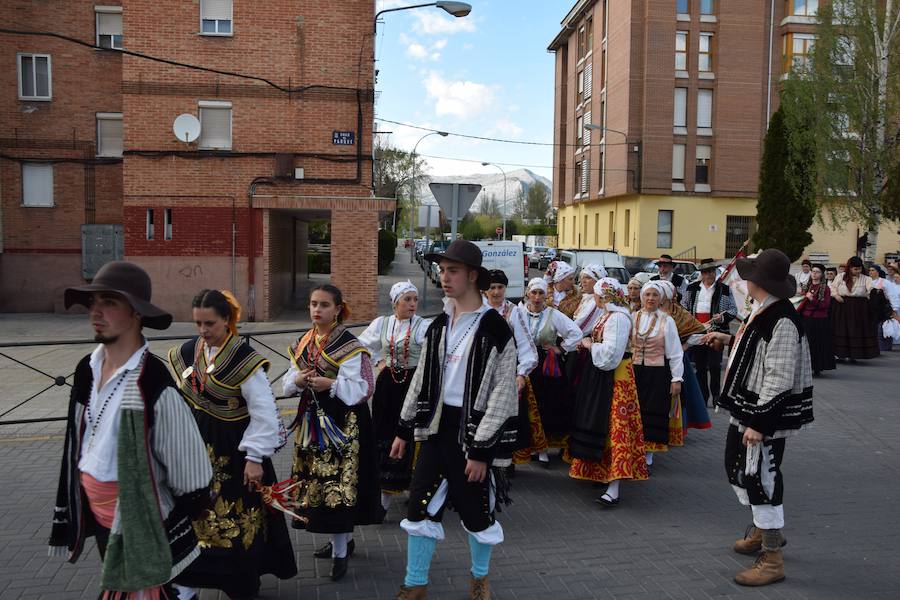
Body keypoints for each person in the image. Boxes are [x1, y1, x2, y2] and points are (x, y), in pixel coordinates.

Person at [49, 261, 213, 599]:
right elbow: (75, 441)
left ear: (136, 313)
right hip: (101, 520)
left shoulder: (153, 382)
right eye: (93, 302)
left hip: (142, 525)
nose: (96, 311)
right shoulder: (86, 369)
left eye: (109, 302)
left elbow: (194, 479)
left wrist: (157, 522)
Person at [390, 239, 519, 600]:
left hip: (472, 431)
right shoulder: (439, 324)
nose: (444, 277)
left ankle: (479, 581)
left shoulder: (496, 328)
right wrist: (403, 429)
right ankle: (415, 585)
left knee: (477, 512)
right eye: (442, 270)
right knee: (418, 506)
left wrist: (480, 451)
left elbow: (503, 394)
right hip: (436, 426)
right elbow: (421, 379)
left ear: (473, 276)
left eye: (453, 271)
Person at [167, 290, 296, 599]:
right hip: (195, 448)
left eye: (209, 323)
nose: (203, 330)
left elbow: (264, 413)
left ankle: (240, 583)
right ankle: (186, 585)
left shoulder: (244, 360)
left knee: (234, 520)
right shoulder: (188, 352)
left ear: (227, 320)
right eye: (198, 323)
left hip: (234, 451)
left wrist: (255, 457)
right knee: (192, 516)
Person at [700, 249, 814, 587]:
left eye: (748, 275)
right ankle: (763, 530)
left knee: (761, 479)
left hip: (763, 415)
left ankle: (772, 556)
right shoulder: (765, 310)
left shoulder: (782, 319)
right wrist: (728, 340)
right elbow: (756, 349)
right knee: (738, 468)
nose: (744, 280)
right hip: (749, 408)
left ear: (758, 282)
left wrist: (760, 424)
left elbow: (779, 376)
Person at [283, 284, 384, 582]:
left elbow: (361, 389)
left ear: (338, 309)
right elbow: (288, 382)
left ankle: (341, 553)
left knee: (338, 486)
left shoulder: (349, 345)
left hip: (343, 422)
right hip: (313, 420)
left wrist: (332, 385)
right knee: (317, 481)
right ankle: (341, 542)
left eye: (324, 305)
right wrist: (298, 381)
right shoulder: (303, 342)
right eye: (314, 303)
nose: (317, 309)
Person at [568, 278, 648, 507]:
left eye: (596, 293)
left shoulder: (618, 318)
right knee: (603, 425)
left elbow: (611, 354)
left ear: (603, 296)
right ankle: (602, 473)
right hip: (604, 376)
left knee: (616, 428)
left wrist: (590, 345)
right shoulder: (608, 315)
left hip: (616, 377)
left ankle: (615, 487)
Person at [358, 281, 432, 511]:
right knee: (384, 432)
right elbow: (360, 345)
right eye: (407, 299)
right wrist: (378, 360)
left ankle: (414, 486)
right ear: (395, 302)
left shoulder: (423, 326)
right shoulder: (382, 324)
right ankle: (384, 493)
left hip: (413, 385)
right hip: (387, 386)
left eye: (415, 299)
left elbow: (434, 354)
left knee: (411, 432)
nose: (412, 304)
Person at [513, 277, 583, 465]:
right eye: (534, 292)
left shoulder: (553, 314)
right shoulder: (518, 313)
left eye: (541, 293)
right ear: (527, 293)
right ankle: (527, 446)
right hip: (522, 363)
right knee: (525, 408)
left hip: (545, 366)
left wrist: (561, 348)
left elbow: (576, 333)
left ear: (546, 295)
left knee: (545, 405)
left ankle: (543, 448)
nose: (537, 297)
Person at [631, 281, 683, 470]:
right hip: (634, 370)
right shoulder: (632, 317)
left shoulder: (667, 321)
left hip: (657, 372)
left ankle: (648, 455)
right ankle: (633, 449)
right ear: (642, 297)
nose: (650, 298)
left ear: (660, 299)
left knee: (652, 410)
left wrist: (676, 378)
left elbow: (675, 352)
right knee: (634, 410)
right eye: (647, 294)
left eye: (654, 295)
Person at [658, 280, 711, 434]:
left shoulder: (678, 313)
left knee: (678, 394)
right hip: (656, 359)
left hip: (676, 359)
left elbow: (700, 331)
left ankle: (677, 428)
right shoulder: (650, 310)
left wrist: (685, 346)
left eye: (659, 293)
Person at [682, 259, 737, 406]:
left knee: (714, 366)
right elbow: (684, 307)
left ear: (715, 272)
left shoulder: (724, 289)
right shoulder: (692, 288)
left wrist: (721, 318)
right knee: (700, 367)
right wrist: (692, 322)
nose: (709, 275)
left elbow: (733, 310)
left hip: (716, 332)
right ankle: (703, 396)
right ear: (702, 274)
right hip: (697, 332)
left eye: (712, 271)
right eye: (706, 272)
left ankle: (716, 395)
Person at [830, 256, 878, 361]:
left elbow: (871, 290)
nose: (858, 271)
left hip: (859, 307)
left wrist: (876, 293)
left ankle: (854, 354)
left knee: (855, 330)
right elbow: (832, 287)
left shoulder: (866, 279)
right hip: (842, 305)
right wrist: (836, 295)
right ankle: (840, 354)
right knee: (841, 329)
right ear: (850, 268)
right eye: (855, 269)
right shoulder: (841, 276)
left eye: (859, 268)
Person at [798, 265, 836, 375]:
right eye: (813, 271)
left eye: (817, 272)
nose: (814, 274)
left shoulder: (825, 288)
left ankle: (817, 367)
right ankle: (804, 366)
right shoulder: (807, 287)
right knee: (805, 343)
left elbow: (825, 305)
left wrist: (812, 299)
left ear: (821, 274)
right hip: (806, 317)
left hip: (819, 319)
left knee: (817, 344)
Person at [572, 264, 609, 334]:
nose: (583, 281)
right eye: (582, 278)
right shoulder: (586, 297)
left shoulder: (597, 302)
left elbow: (579, 326)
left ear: (598, 282)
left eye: (588, 278)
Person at [869, 265, 894, 351]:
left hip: (883, 308)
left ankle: (884, 346)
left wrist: (894, 307)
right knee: (873, 328)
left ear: (878, 272)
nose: (870, 272)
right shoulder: (868, 281)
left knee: (883, 328)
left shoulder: (884, 282)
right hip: (871, 308)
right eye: (870, 270)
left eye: (873, 270)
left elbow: (891, 295)